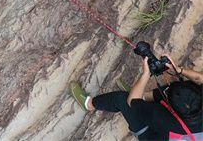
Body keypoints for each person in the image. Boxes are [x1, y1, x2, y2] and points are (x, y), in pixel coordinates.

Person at [70, 54, 203, 140]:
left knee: (121, 99)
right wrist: (179, 71)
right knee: (175, 90)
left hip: (152, 135)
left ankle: (90, 104)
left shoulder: (162, 119)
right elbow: (199, 78)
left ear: (172, 110)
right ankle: (143, 97)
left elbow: (131, 101)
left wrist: (146, 74)